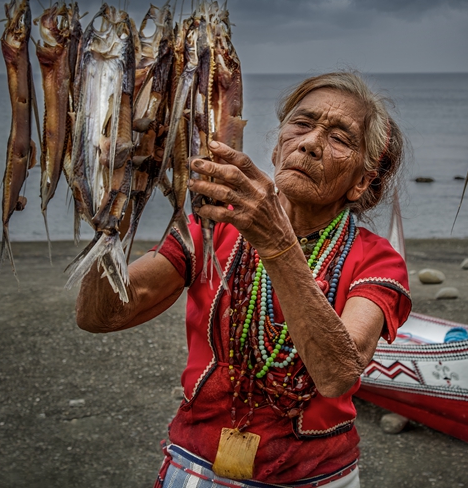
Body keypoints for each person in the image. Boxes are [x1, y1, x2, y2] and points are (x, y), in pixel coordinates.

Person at [75, 71, 412, 487]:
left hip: (316, 477)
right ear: (276, 145)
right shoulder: (215, 229)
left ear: (362, 181)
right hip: (197, 465)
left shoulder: (377, 259)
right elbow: (99, 315)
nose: (310, 143)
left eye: (340, 138)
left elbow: (338, 373)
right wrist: (109, 207)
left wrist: (276, 242)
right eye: (302, 125)